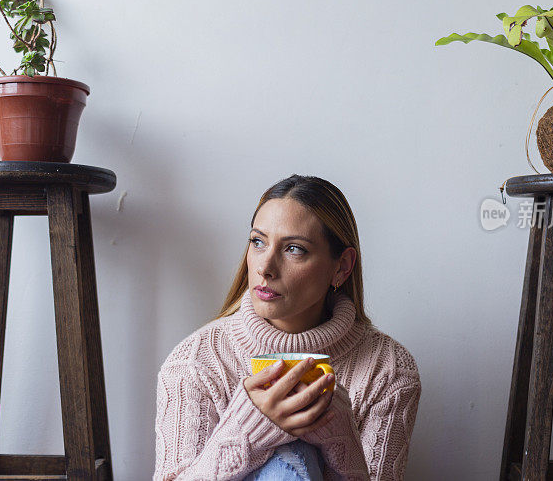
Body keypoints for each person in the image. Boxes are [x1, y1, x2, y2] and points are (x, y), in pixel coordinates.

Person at [154, 175, 421, 480]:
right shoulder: (195, 361)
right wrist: (248, 429)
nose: (265, 268)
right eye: (258, 242)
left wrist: (342, 438)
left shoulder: (388, 369)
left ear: (342, 267)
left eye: (294, 249)